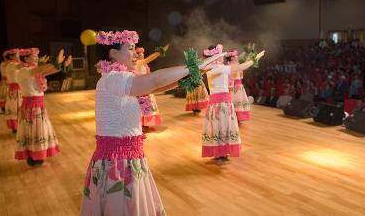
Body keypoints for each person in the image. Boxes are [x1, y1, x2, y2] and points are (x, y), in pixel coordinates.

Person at [81, 30, 222, 215]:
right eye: (130, 49)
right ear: (113, 53)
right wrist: (192, 67)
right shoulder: (114, 79)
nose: (135, 54)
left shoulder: (117, 79)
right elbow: (154, 80)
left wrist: (192, 74)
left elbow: (159, 85)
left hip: (126, 157)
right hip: (118, 162)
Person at [202, 44, 265, 164]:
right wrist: (255, 58)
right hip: (222, 103)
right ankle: (221, 153)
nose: (222, 58)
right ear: (215, 57)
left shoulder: (209, 68)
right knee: (223, 127)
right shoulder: (221, 68)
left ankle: (220, 152)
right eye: (220, 56)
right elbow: (242, 66)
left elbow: (238, 64)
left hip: (216, 102)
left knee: (218, 127)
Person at [15, 48, 71, 166]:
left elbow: (48, 71)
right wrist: (57, 62)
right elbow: (42, 69)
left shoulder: (34, 71)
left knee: (39, 131)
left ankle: (37, 155)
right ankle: (34, 156)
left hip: (39, 105)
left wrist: (62, 65)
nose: (36, 59)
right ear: (25, 58)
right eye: (33, 57)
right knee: (34, 131)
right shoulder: (23, 71)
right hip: (31, 106)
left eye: (36, 57)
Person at [134, 45, 169, 127]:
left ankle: (145, 122)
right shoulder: (137, 63)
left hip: (146, 87)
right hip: (140, 87)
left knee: (147, 104)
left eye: (143, 54)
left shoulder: (143, 64)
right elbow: (150, 58)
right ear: (137, 55)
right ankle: (140, 123)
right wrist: (159, 52)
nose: (142, 55)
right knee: (141, 104)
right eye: (140, 54)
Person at [226, 50, 252, 123]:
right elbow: (244, 65)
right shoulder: (231, 66)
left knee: (238, 102)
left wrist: (248, 52)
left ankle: (237, 117)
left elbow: (244, 63)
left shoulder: (236, 64)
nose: (237, 56)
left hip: (238, 86)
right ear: (232, 58)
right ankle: (234, 117)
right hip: (234, 87)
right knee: (235, 102)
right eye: (235, 56)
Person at [4, 48, 22, 133]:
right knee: (14, 107)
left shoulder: (13, 64)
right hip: (14, 89)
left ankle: (19, 126)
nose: (18, 57)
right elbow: (22, 66)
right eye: (17, 55)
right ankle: (15, 127)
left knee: (18, 107)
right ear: (12, 56)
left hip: (18, 88)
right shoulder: (11, 65)